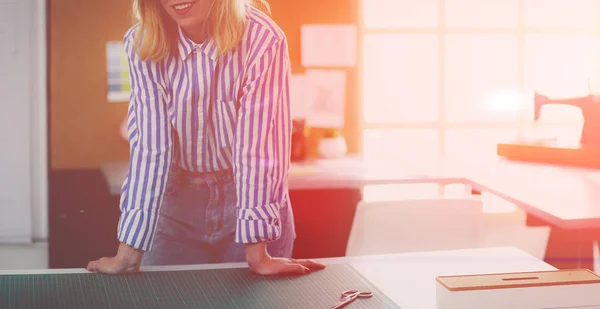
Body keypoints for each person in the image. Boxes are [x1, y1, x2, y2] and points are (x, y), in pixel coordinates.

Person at [86, 0, 325, 276]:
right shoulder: (142, 43)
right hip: (176, 203)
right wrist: (127, 253)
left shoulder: (263, 39)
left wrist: (258, 252)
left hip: (246, 196)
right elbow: (150, 149)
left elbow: (257, 147)